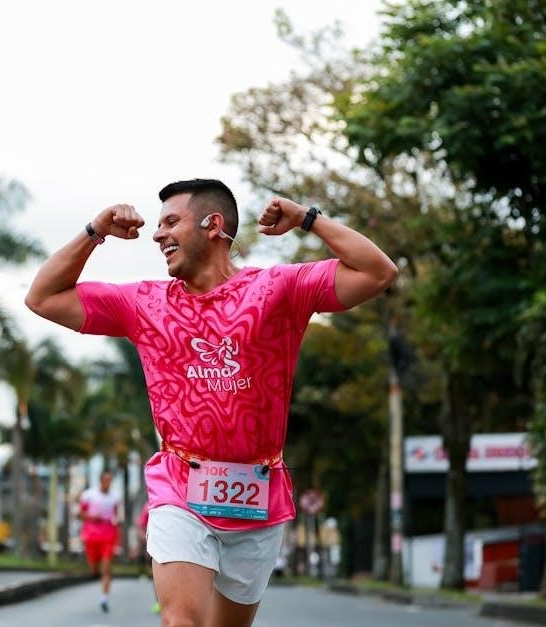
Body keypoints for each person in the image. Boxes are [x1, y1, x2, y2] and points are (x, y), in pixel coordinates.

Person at [26, 179, 397, 626]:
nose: (158, 234)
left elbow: (378, 272)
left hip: (258, 494)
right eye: (158, 225)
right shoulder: (143, 303)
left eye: (171, 222)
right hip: (180, 484)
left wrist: (306, 218)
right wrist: (95, 231)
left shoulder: (278, 289)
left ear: (213, 225)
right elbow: (42, 297)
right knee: (181, 621)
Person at [78, 469, 121, 613]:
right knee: (94, 569)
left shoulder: (115, 497)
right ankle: (95, 573)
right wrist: (92, 517)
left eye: (110, 480)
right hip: (91, 536)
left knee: (107, 569)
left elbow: (117, 515)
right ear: (101, 480)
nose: (108, 483)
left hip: (108, 535)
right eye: (106, 480)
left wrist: (117, 521)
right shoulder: (89, 495)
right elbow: (80, 514)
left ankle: (104, 598)